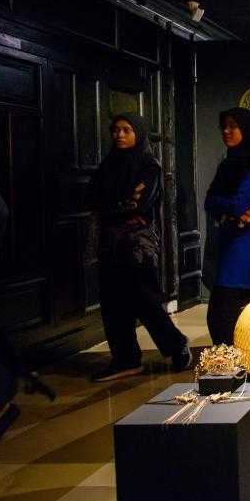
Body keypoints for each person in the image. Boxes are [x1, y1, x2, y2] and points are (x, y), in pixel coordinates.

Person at [88, 114, 191, 381]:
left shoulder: (148, 165)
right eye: (115, 130)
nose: (119, 135)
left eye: (126, 130)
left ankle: (177, 345)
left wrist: (117, 203)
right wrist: (122, 201)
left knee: (144, 300)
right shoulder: (108, 165)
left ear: (138, 133)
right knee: (112, 303)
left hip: (136, 244)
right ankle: (125, 360)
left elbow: (140, 203)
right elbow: (93, 198)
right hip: (109, 243)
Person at [203, 107, 250, 345]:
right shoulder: (228, 166)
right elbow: (209, 201)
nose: (226, 131)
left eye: (233, 126)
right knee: (222, 316)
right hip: (227, 244)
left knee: (225, 315)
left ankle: (233, 362)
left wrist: (224, 204)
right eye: (224, 126)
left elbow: (235, 205)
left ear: (248, 130)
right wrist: (227, 206)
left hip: (244, 252)